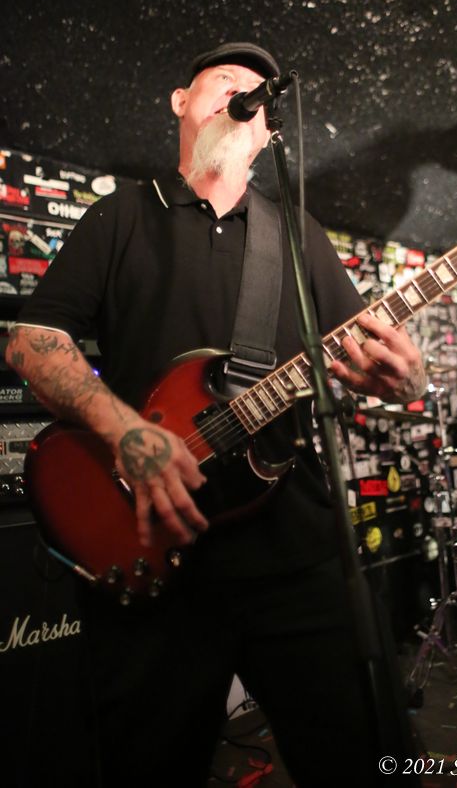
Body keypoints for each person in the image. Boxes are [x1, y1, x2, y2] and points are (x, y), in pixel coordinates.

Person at [6, 42, 427, 787]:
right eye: (224, 81)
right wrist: (126, 432)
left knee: (363, 758)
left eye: (258, 94)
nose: (243, 95)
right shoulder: (121, 216)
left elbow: (369, 356)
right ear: (181, 101)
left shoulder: (298, 234)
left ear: (267, 133)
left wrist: (405, 378)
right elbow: (32, 342)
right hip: (150, 552)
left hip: (296, 552)